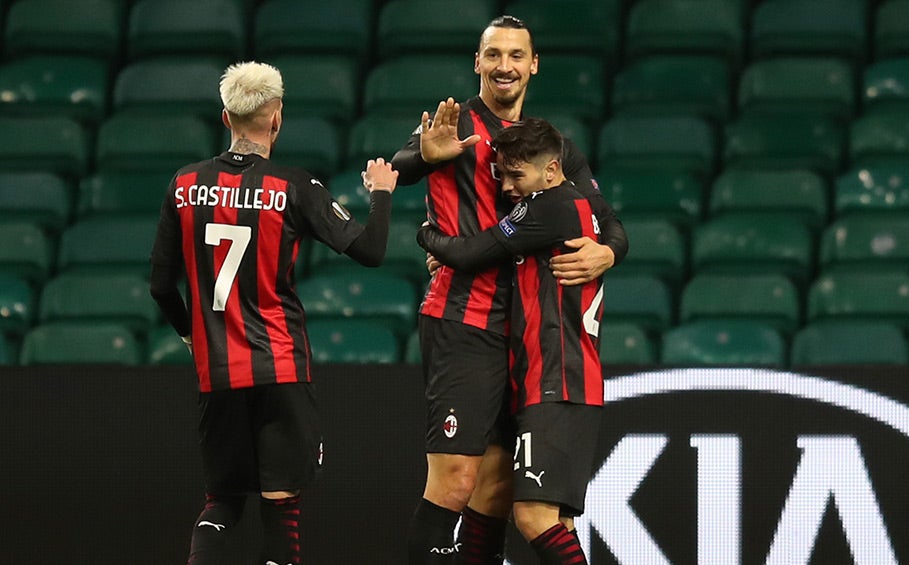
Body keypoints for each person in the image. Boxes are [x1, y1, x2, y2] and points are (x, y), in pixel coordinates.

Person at [391, 15, 627, 565]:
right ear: (478, 63)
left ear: (533, 64)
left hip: (524, 336)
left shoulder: (550, 146)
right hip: (463, 318)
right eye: (493, 54)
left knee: (495, 490)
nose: (504, 66)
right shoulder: (454, 124)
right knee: (455, 482)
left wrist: (608, 252)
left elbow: (608, 218)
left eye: (515, 55)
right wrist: (426, 156)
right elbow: (396, 169)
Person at [149, 61, 398, 565]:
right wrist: (382, 196)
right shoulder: (293, 186)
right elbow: (370, 251)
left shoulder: (184, 183)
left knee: (221, 504)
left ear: (226, 117)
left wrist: (191, 335)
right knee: (281, 509)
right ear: (277, 118)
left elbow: (160, 286)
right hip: (281, 370)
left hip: (217, 375)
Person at [416, 117, 605, 564]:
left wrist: (427, 234)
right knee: (553, 521)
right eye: (500, 175)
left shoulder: (550, 206)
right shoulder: (568, 208)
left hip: (559, 377)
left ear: (553, 171)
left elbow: (469, 253)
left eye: (516, 175)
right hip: (561, 380)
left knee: (534, 517)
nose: (506, 188)